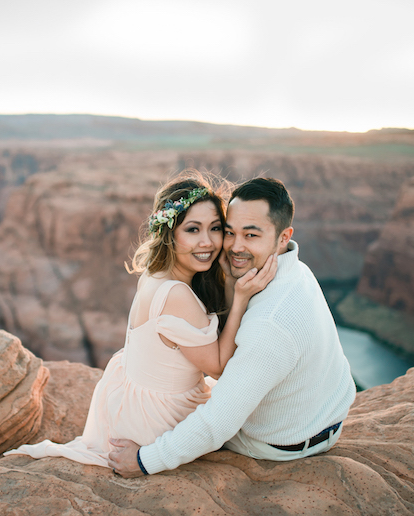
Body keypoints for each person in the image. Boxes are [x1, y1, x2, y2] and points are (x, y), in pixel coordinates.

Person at [3, 171, 276, 467]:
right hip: (159, 422)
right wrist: (240, 298)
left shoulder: (155, 273)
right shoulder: (177, 295)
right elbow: (220, 368)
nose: (208, 242)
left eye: (215, 228)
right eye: (193, 230)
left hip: (132, 407)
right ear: (170, 233)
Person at [109, 177, 356, 477]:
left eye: (251, 235)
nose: (235, 247)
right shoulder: (295, 268)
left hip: (282, 440)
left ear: (282, 237)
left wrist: (144, 460)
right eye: (229, 232)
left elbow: (219, 422)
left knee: (196, 414)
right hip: (323, 413)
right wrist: (232, 290)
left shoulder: (269, 323)